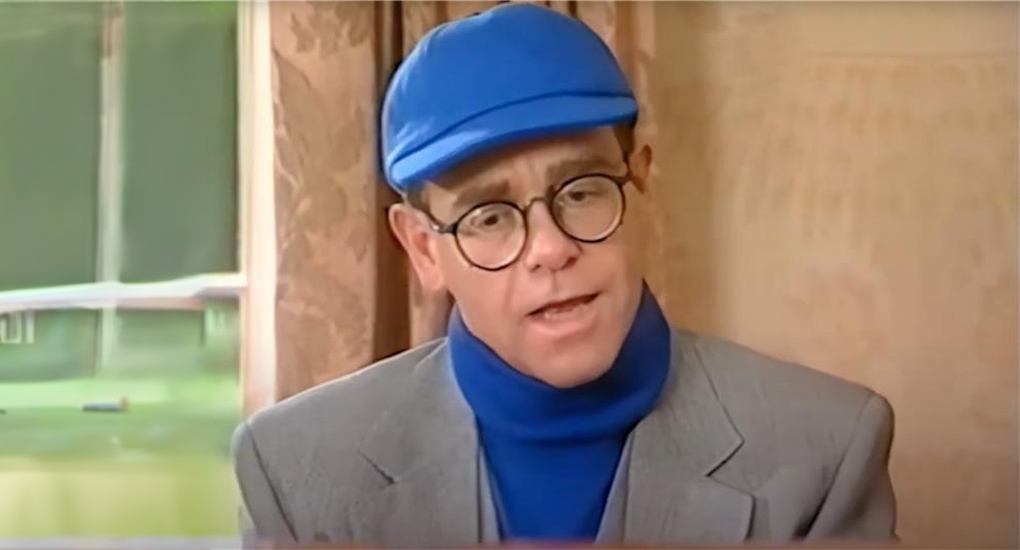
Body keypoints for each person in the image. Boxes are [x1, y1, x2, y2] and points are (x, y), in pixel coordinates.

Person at [232, 4, 896, 547]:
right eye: (489, 216)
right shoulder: (294, 469)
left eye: (580, 192)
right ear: (424, 250)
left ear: (640, 188)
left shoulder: (828, 447)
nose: (550, 249)